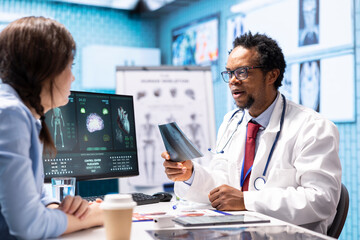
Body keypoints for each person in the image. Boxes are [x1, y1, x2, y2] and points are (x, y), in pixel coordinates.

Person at [162, 32, 341, 234]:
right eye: (229, 73)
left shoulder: (313, 127)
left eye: (242, 72)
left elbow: (321, 199)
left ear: (272, 75)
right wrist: (190, 174)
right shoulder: (231, 122)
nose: (232, 81)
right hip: (237, 232)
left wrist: (247, 200)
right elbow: (221, 186)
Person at [0, 16, 103, 239]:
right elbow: (28, 226)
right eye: (69, 66)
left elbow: (31, 195)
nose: (73, 76)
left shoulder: (27, 117)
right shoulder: (9, 114)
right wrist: (97, 215)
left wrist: (57, 206)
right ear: (44, 69)